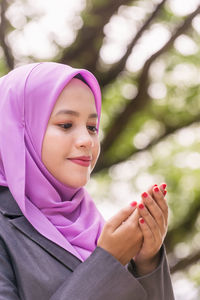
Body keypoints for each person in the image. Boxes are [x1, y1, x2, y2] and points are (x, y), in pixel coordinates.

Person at [0, 62, 175, 299]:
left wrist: (146, 263)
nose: (87, 140)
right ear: (18, 130)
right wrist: (107, 262)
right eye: (66, 125)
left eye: (92, 127)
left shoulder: (96, 227)